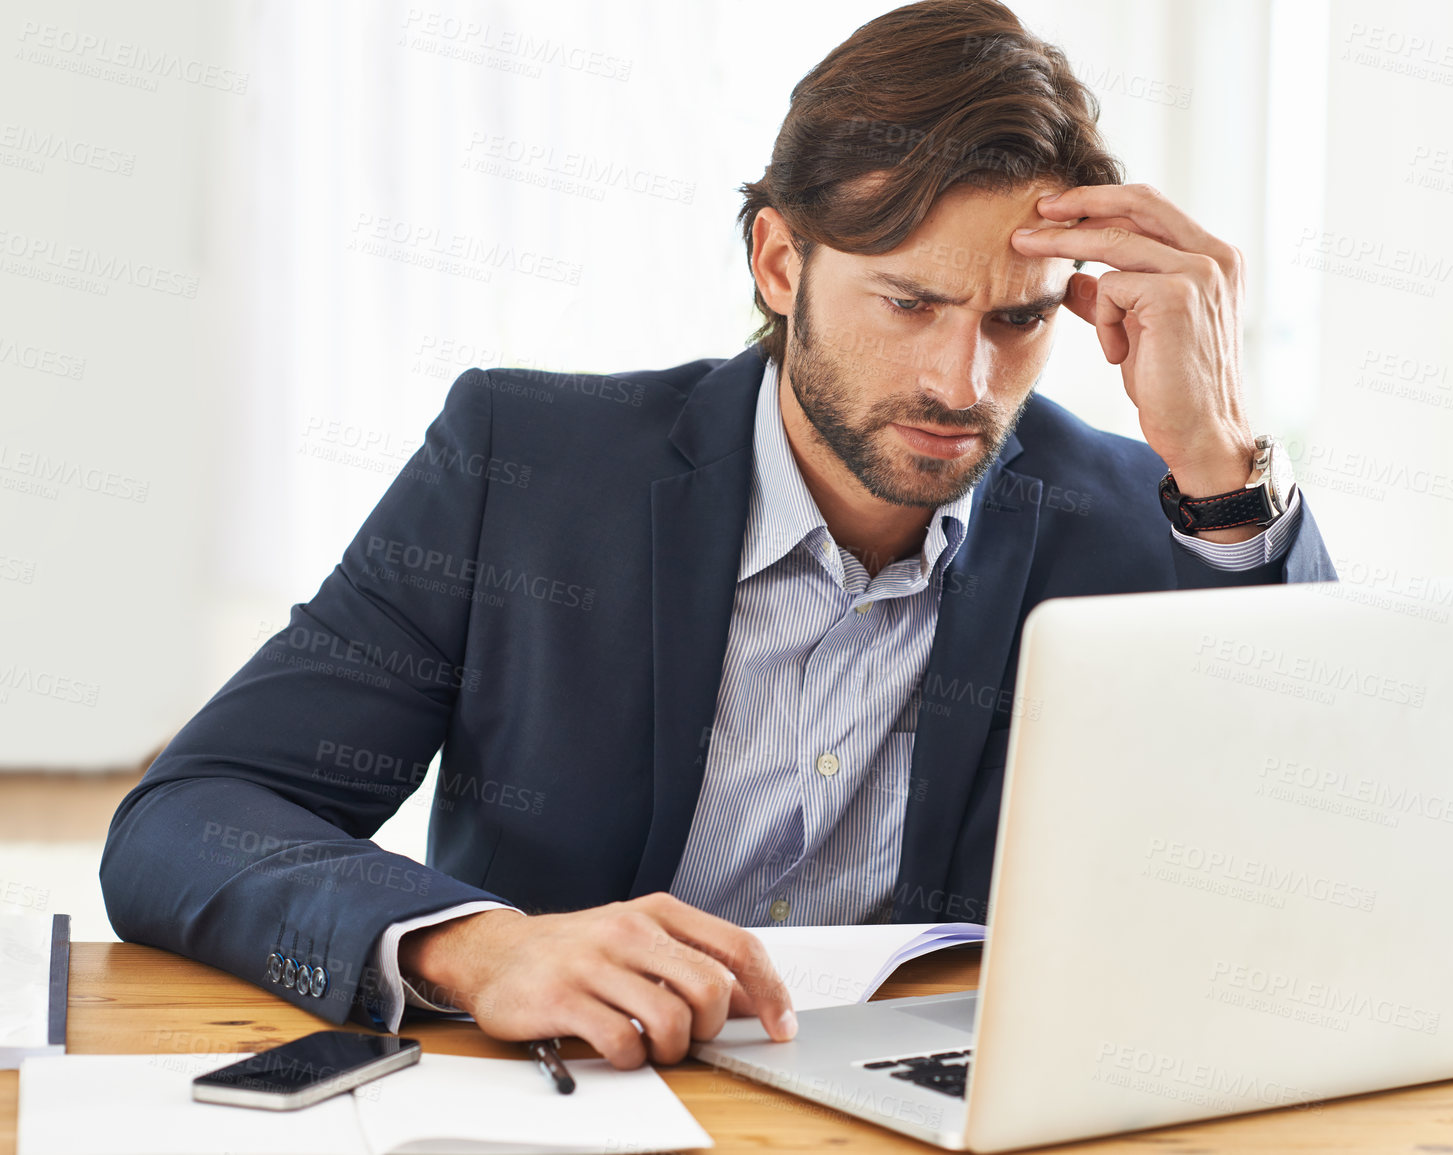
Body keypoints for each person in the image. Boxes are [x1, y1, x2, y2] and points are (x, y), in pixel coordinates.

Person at [101, 0, 1335, 1071]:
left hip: (937, 1106)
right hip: (577, 1094)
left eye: (1016, 319)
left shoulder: (1146, 514)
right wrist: (480, 947)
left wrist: (1222, 458)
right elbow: (192, 813)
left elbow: (1316, 861)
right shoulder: (521, 464)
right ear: (781, 261)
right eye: (910, 302)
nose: (964, 381)